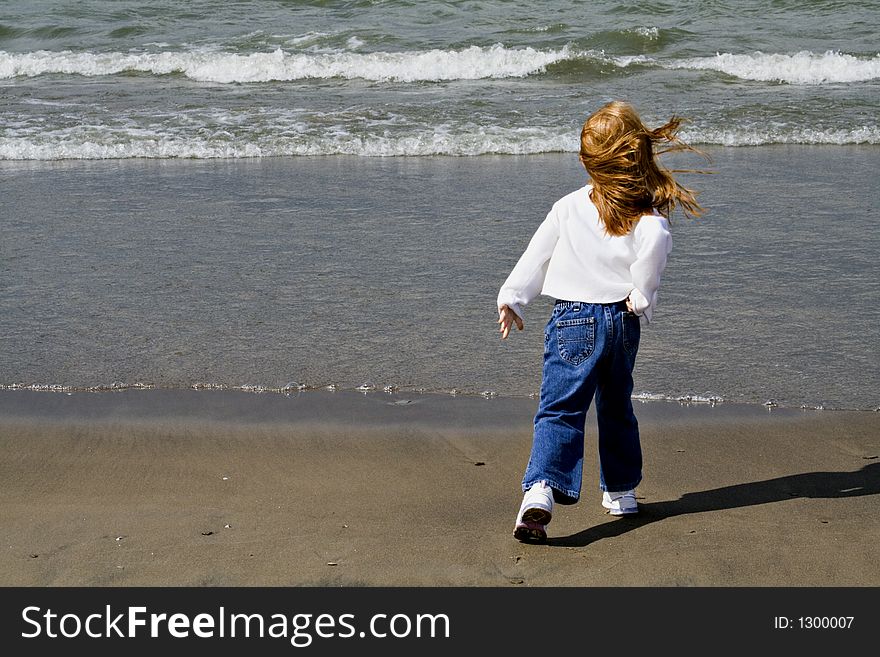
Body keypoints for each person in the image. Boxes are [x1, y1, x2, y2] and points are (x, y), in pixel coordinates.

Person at [497, 100, 704, 543]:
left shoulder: (568, 206)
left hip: (573, 319)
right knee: (616, 405)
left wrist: (514, 297)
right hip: (622, 320)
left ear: (586, 160)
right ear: (637, 156)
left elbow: (538, 255)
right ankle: (621, 491)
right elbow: (655, 242)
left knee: (560, 410)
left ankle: (540, 491)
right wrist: (642, 295)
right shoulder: (644, 214)